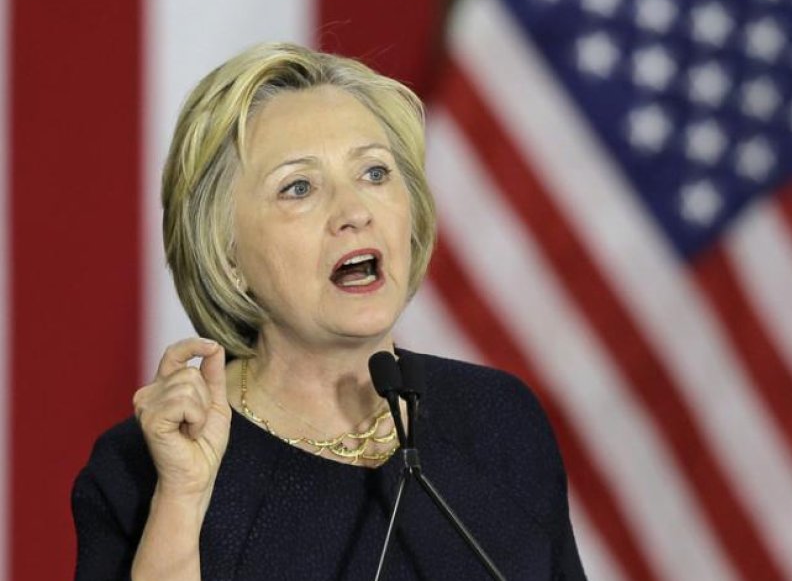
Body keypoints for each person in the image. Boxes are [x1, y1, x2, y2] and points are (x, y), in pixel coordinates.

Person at [71, 43, 587, 580]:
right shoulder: (146, 466)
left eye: (374, 173)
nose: (354, 211)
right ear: (227, 256)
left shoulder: (499, 420)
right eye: (299, 187)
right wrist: (181, 498)